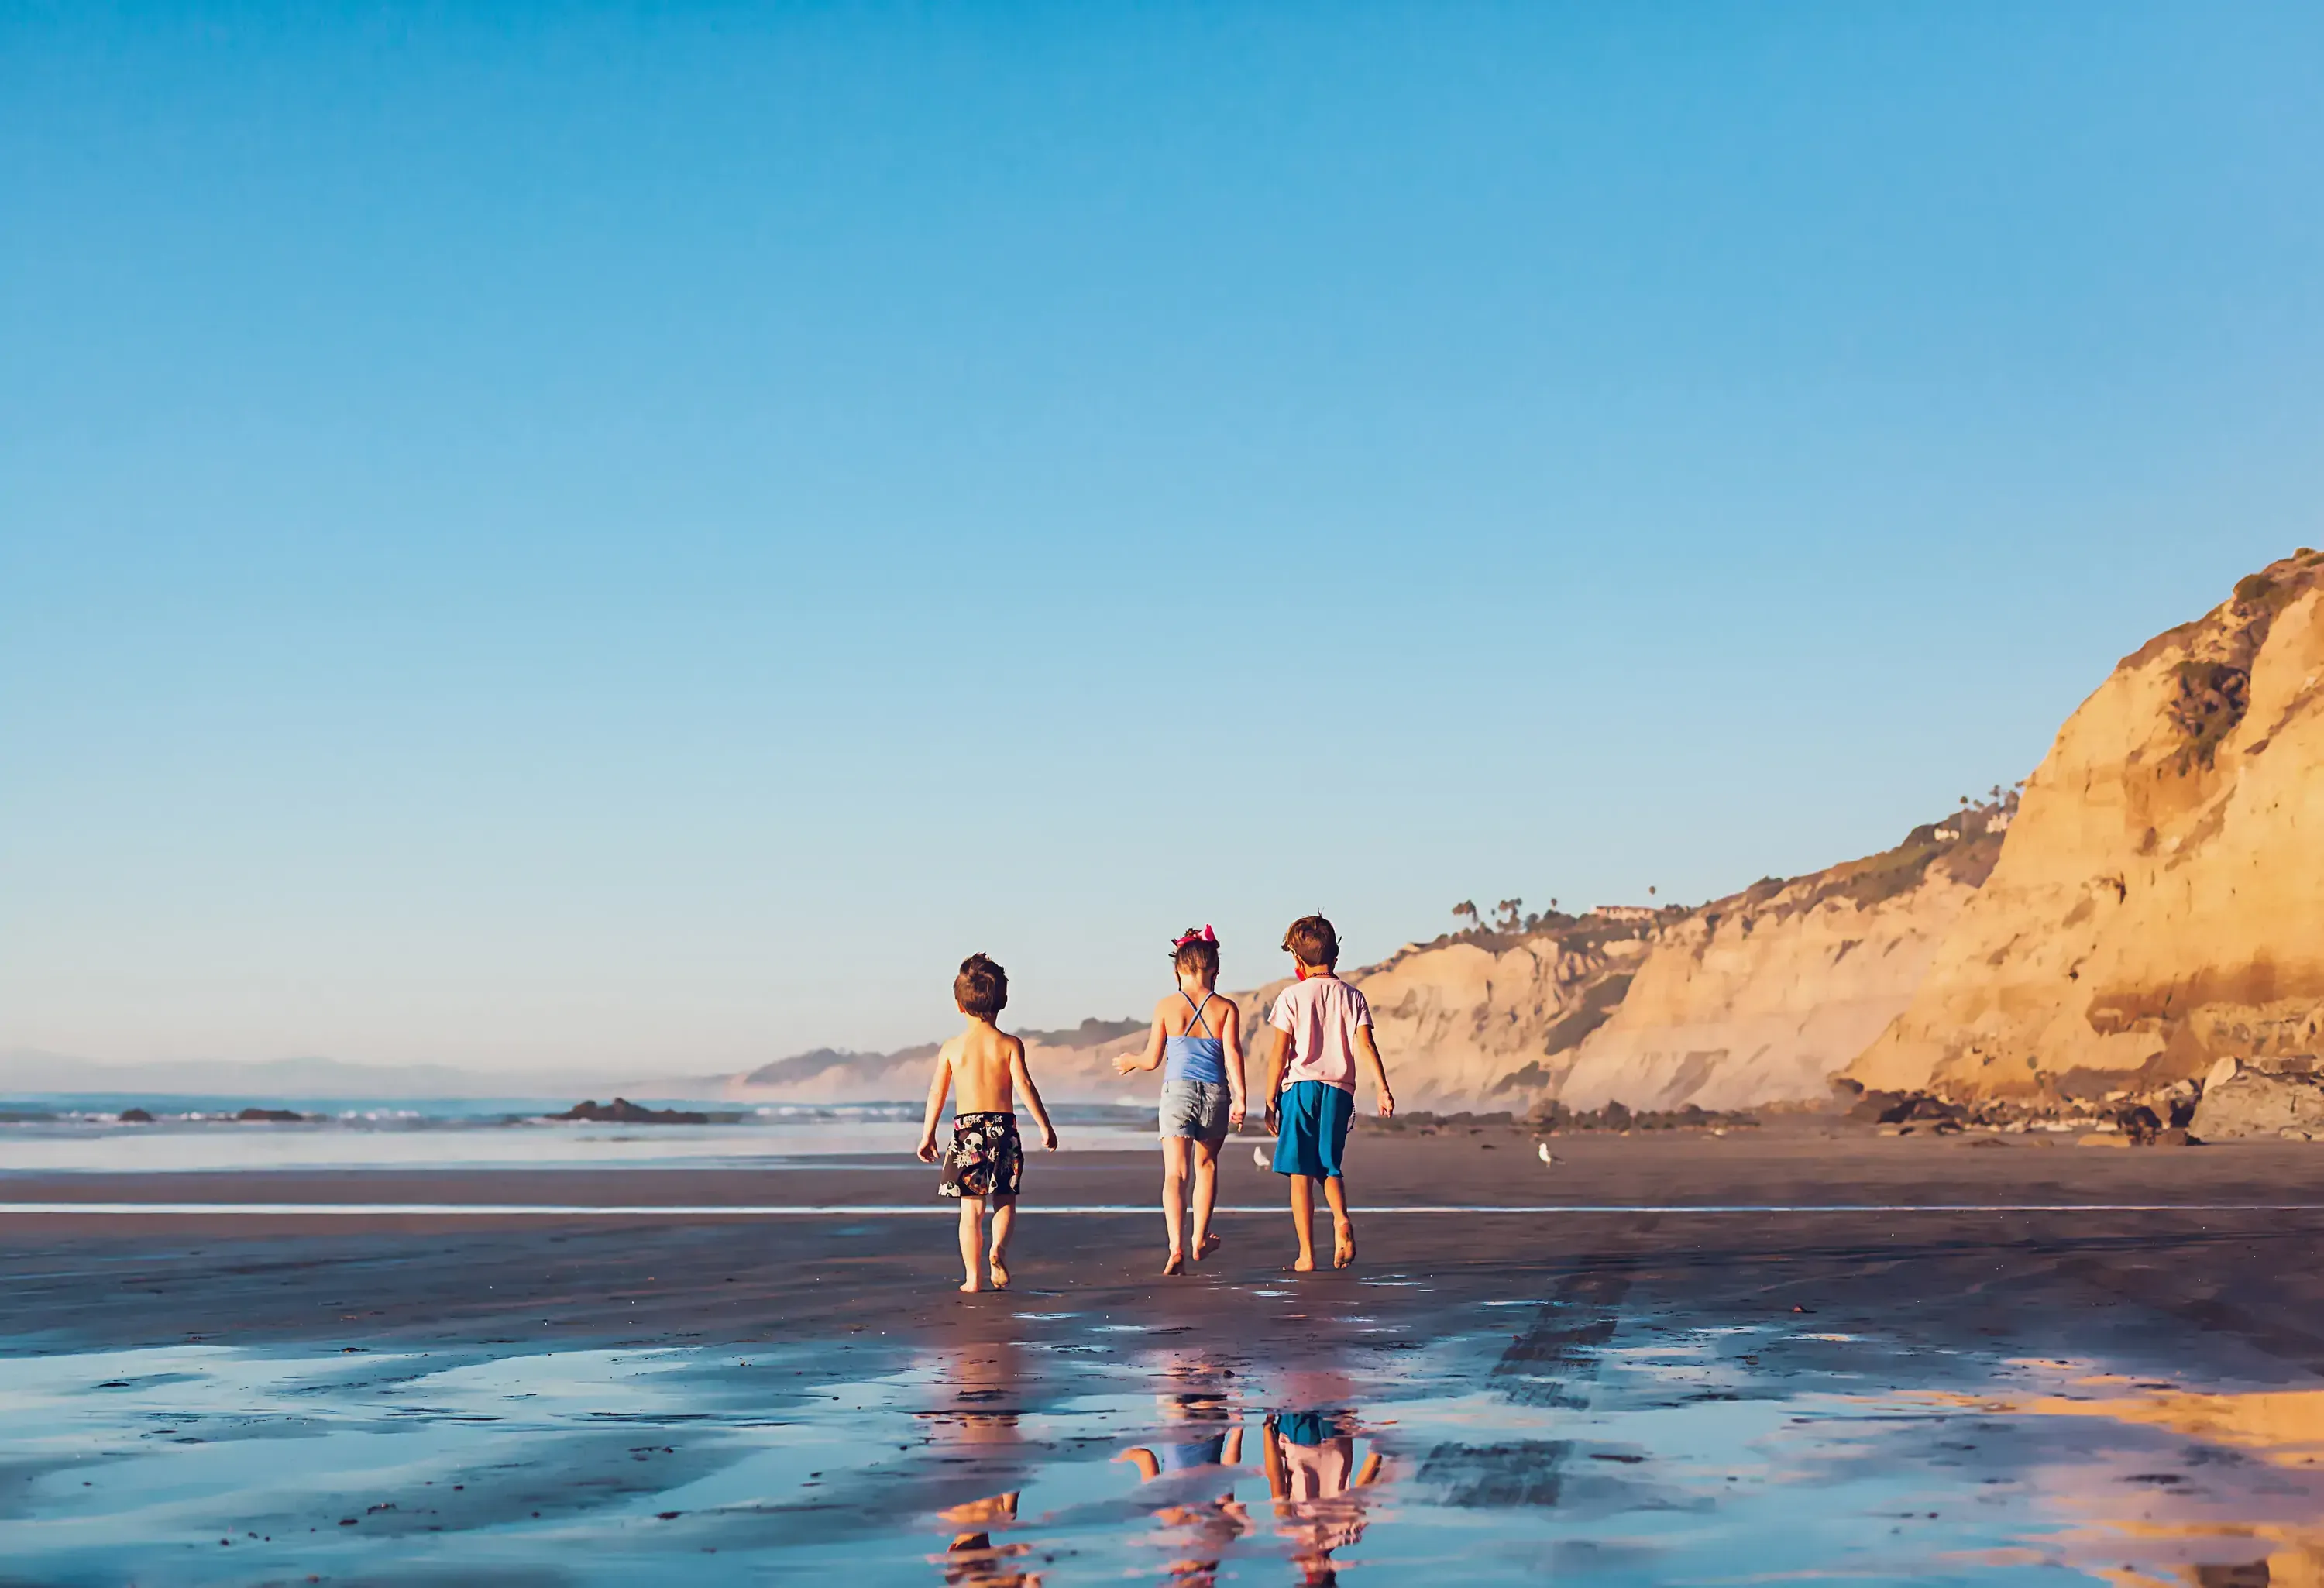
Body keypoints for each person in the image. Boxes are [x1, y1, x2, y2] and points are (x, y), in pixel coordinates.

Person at [916, 953, 1059, 1293]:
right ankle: (998, 1251)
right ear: (1003, 1001)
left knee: (971, 1211)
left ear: (959, 1005)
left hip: (967, 1133)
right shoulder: (1009, 1044)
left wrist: (928, 1134)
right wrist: (1045, 1125)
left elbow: (938, 1090)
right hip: (1003, 1130)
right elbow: (1024, 1085)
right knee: (1005, 1200)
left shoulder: (952, 1048)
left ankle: (972, 1279)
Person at [1261, 914, 1394, 1271]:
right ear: (1335, 957)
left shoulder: (1291, 997)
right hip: (1339, 1090)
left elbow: (1280, 1053)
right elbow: (1366, 1045)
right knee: (1330, 1164)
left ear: (1297, 962)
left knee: (1300, 1172)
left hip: (1300, 1089)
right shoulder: (1353, 996)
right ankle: (1341, 1218)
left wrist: (1271, 1098)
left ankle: (1307, 1254)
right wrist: (1382, 1088)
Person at [1114, 925, 1248, 1275]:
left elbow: (1152, 1058)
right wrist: (1241, 1097)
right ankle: (1200, 1239)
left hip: (1178, 1094)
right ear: (1215, 970)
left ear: (1178, 970)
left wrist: (1131, 1061)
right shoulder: (1226, 1008)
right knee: (1206, 1167)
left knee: (1176, 1173)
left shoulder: (1167, 1006)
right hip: (1216, 1093)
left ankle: (1176, 1247)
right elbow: (1233, 1053)